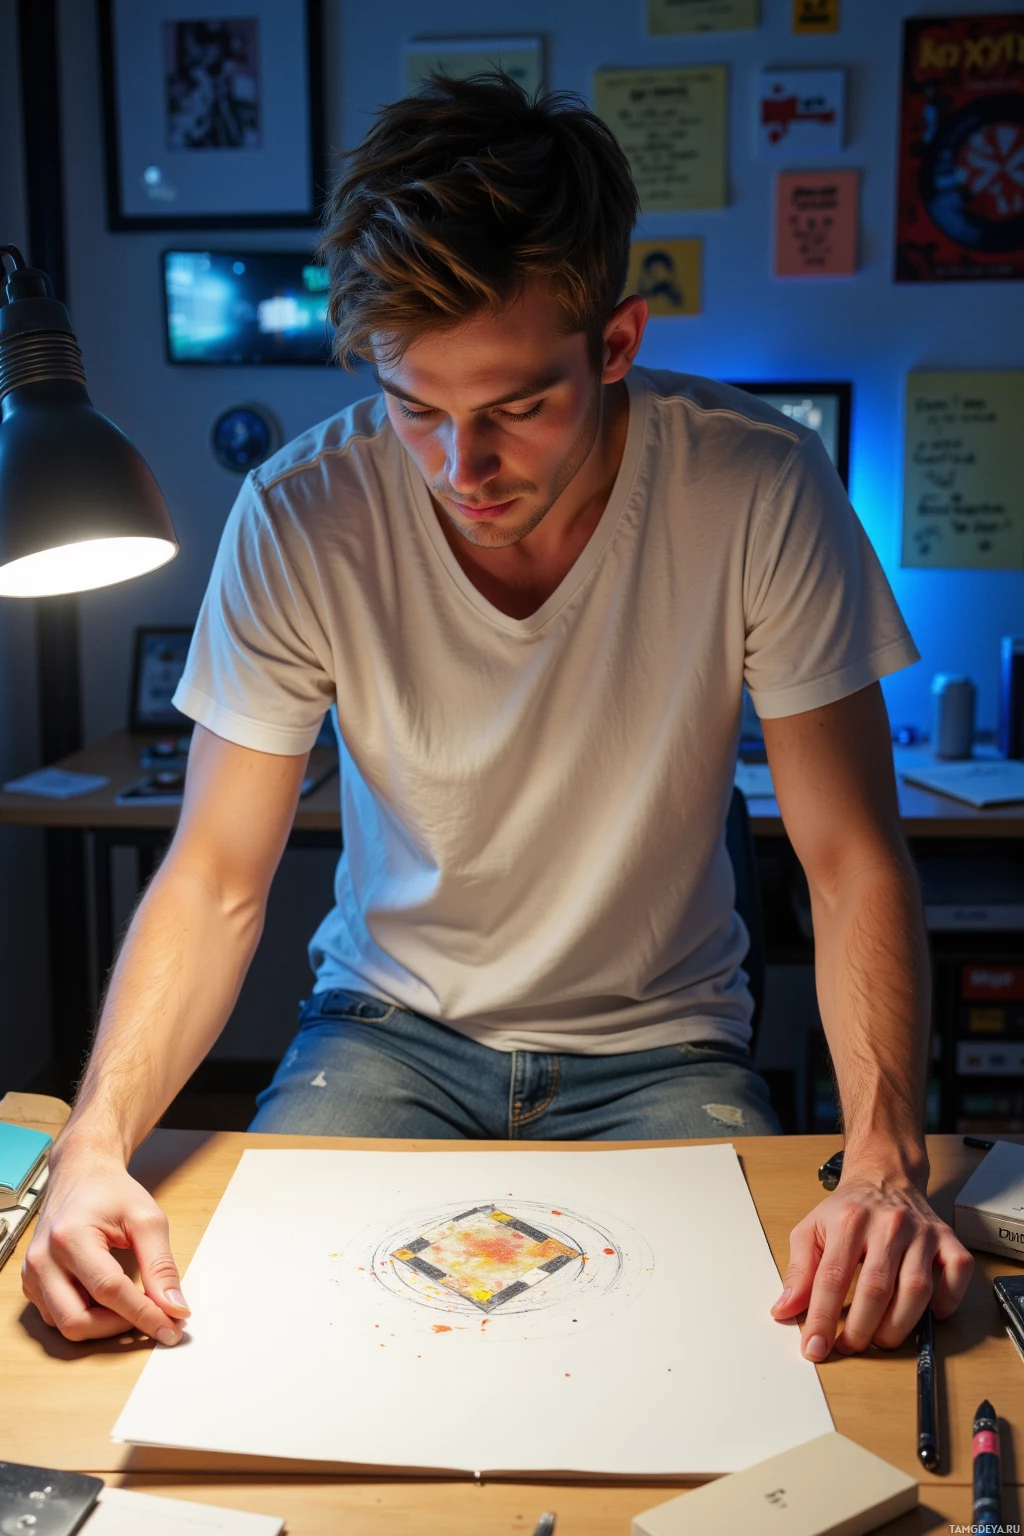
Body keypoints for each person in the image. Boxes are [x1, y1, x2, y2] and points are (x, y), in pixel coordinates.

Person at [23, 73, 972, 1363]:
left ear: (618, 343)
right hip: (385, 1034)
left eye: (518, 408)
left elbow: (855, 855)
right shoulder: (300, 515)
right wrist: (88, 1148)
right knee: (233, 1351)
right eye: (417, 408)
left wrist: (883, 1161)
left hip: (664, 1046)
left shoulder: (759, 484)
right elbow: (213, 878)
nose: (462, 472)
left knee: (756, 1374)